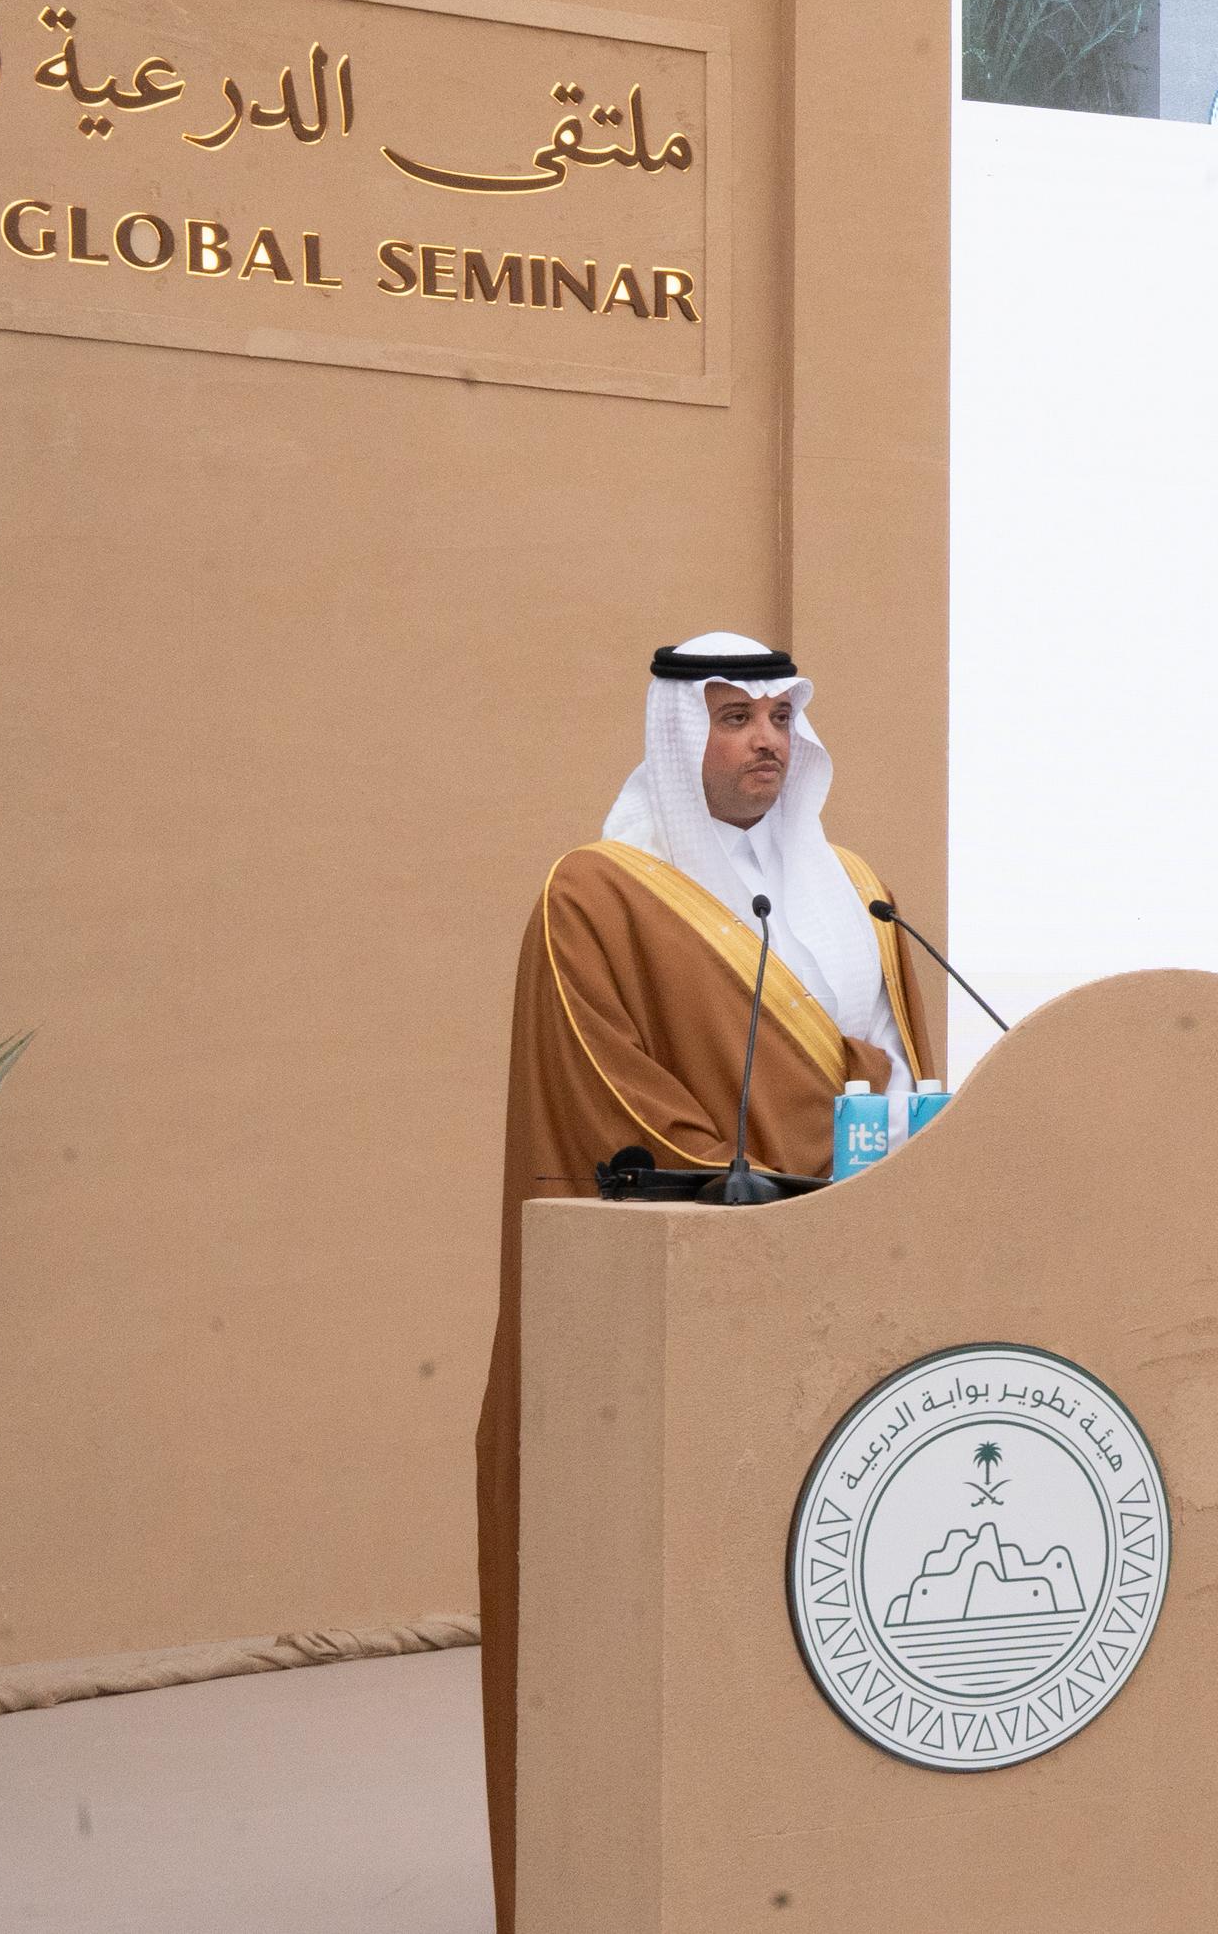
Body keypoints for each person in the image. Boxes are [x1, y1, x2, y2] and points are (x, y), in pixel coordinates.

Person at [473, 633, 933, 1931]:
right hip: (688, 1323)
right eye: (733, 718)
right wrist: (789, 1190)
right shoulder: (598, 895)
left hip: (860, 1307)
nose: (764, 742)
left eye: (780, 718)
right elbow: (617, 1115)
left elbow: (906, 1089)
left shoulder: (855, 894)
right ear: (682, 735)